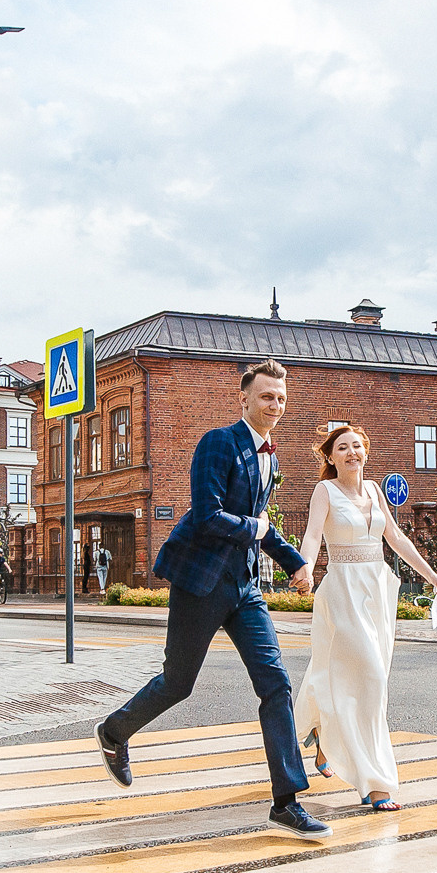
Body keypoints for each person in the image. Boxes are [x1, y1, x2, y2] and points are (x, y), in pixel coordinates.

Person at [94, 359, 329, 840]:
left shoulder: (271, 458)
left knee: (276, 684)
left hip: (245, 587)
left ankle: (286, 802)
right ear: (244, 398)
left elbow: (260, 524)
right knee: (178, 683)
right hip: (200, 581)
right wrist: (256, 528)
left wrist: (296, 563)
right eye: (267, 396)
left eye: (281, 398)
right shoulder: (218, 442)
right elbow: (207, 515)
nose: (275, 405)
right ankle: (114, 732)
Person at [298, 424, 437, 812]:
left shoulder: (376, 490)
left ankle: (324, 733)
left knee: (359, 675)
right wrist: (306, 568)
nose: (351, 453)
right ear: (331, 457)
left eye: (357, 446)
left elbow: (395, 538)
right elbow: (312, 536)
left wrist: (432, 577)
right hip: (343, 590)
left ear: (365, 452)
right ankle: (374, 782)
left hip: (377, 590)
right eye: (342, 448)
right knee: (372, 680)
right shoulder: (324, 491)